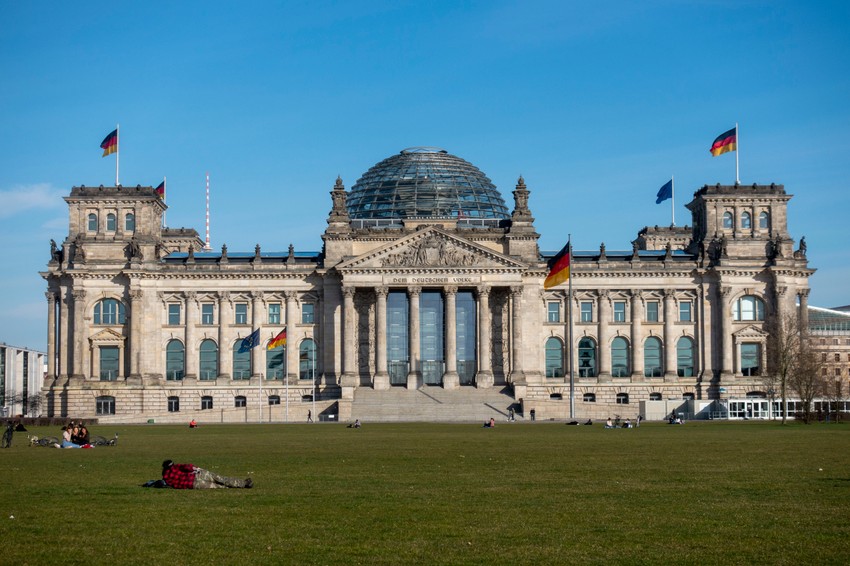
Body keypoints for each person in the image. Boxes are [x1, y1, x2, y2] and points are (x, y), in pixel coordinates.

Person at [161, 460, 252, 489]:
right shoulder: (176, 467)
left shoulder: (166, 478)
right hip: (196, 475)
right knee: (221, 479)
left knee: (217, 486)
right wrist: (197, 468)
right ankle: (243, 483)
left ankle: (238, 486)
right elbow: (187, 467)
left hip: (193, 484)